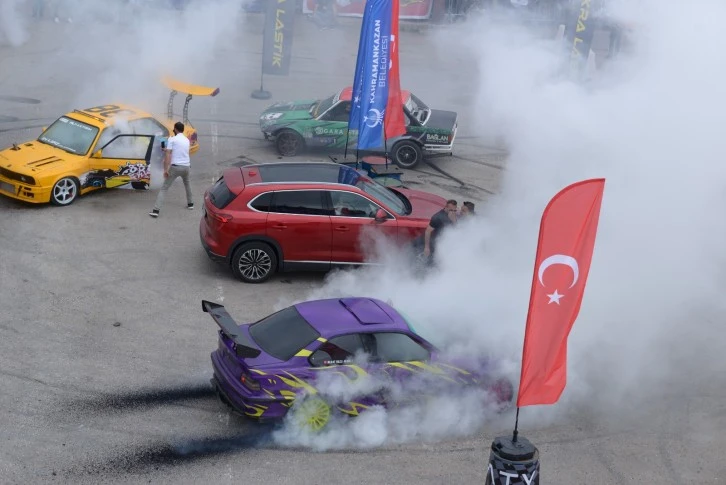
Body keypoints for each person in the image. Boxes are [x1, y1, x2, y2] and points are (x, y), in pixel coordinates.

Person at [148, 122, 193, 217]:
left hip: (175, 167)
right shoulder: (186, 140)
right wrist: (167, 150)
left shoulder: (172, 139)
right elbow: (179, 150)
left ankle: (156, 210)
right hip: (186, 166)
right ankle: (190, 204)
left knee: (164, 188)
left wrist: (165, 170)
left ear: (175, 129)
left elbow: (167, 156)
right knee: (187, 185)